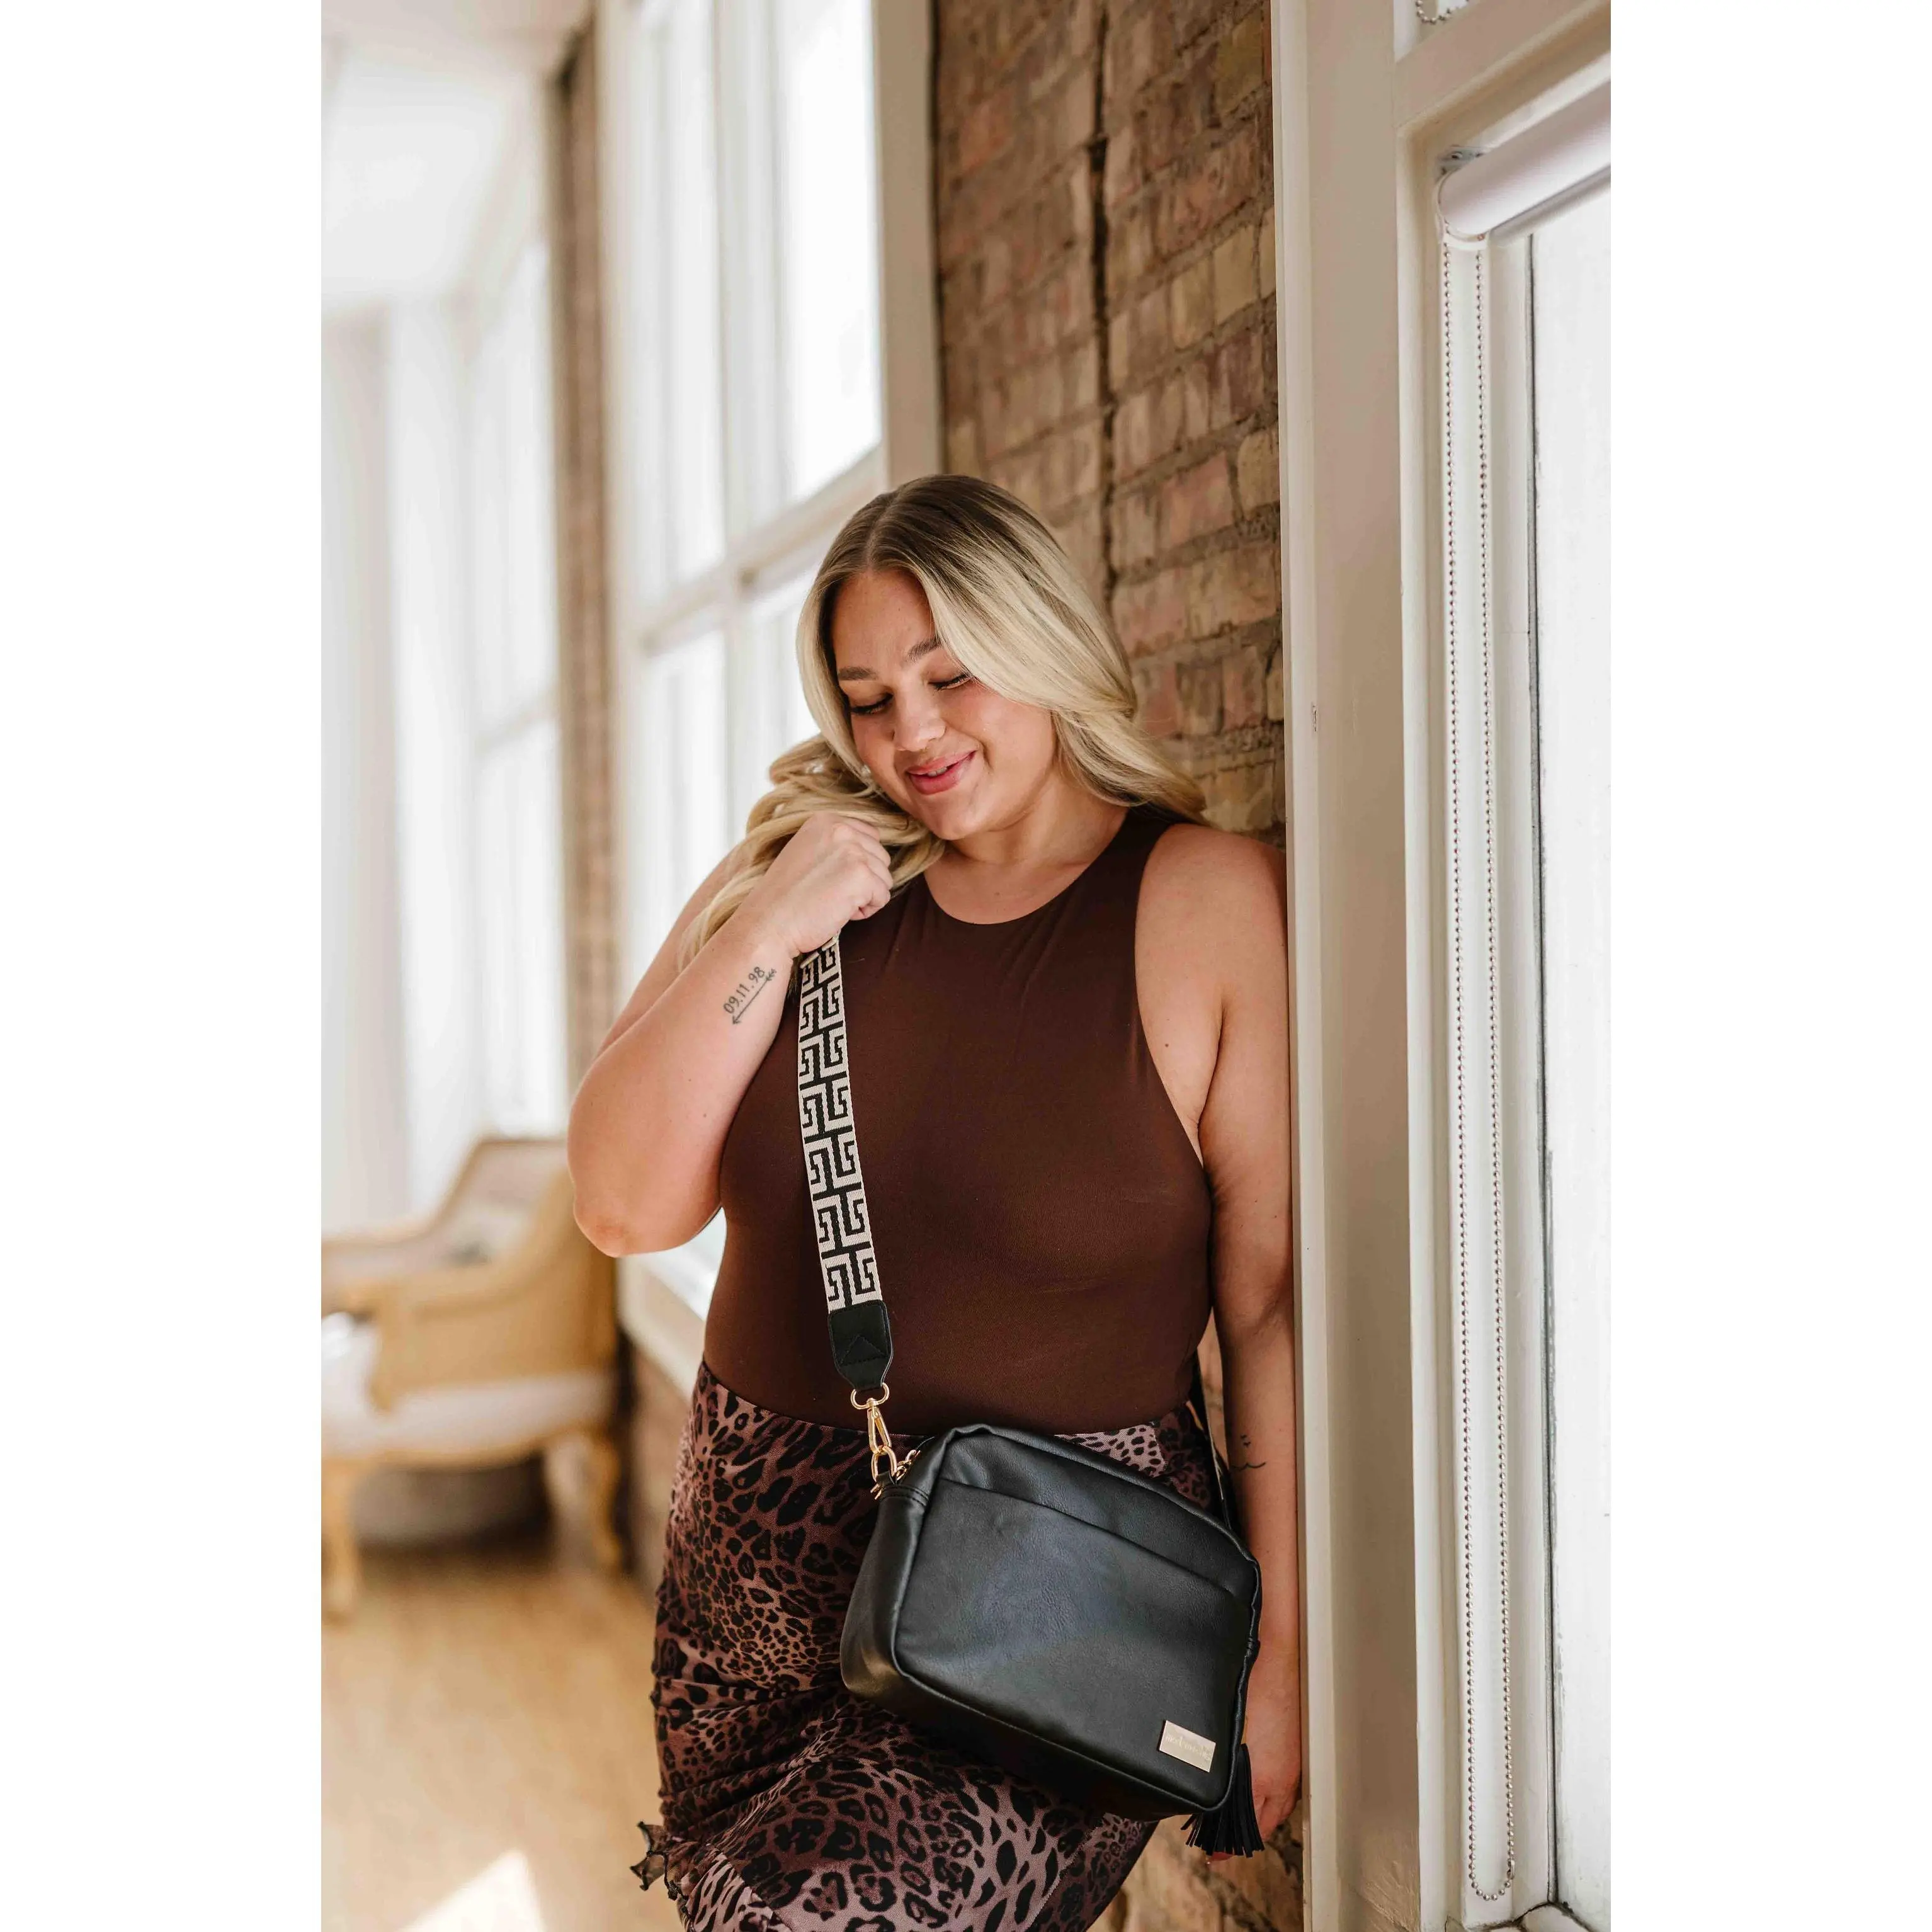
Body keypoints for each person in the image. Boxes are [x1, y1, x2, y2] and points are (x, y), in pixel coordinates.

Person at [568, 475, 1300, 1930]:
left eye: (948, 674)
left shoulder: (1200, 901)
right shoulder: (790, 884)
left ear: (1040, 641)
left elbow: (1267, 1304)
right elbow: (623, 1205)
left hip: (1048, 1608)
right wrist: (776, 916)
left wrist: (1276, 1652)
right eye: (867, 698)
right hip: (750, 1598)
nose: (910, 731)